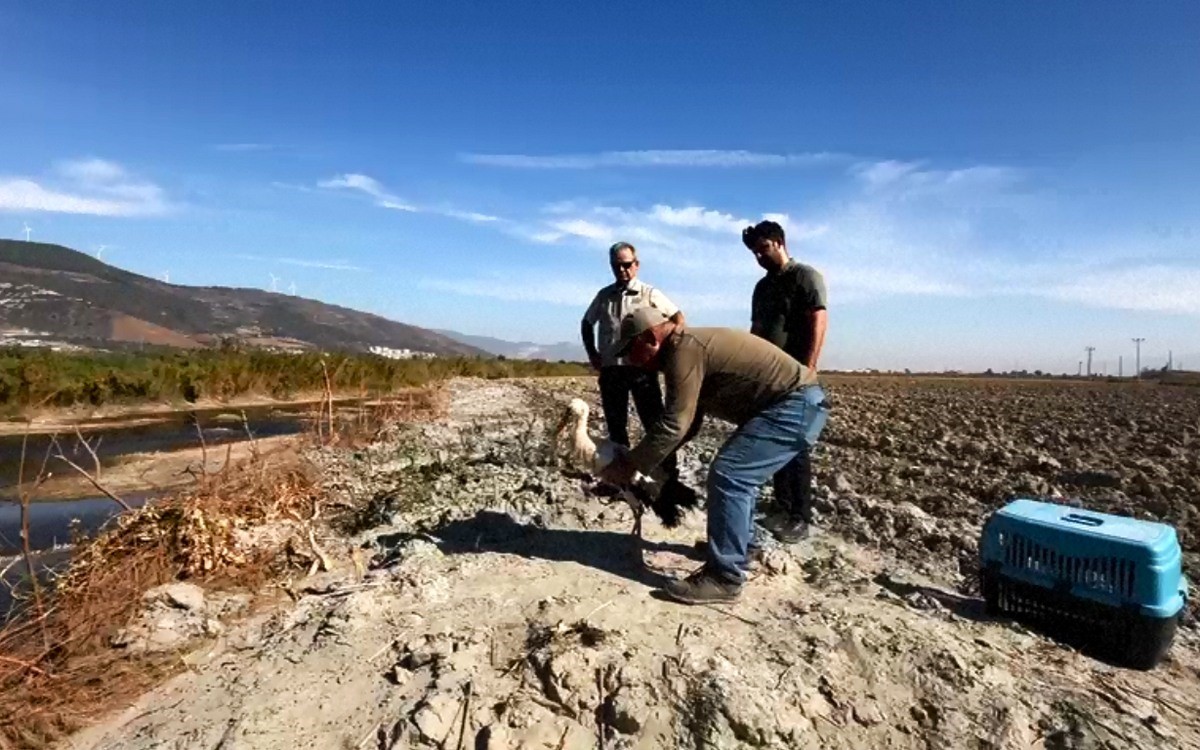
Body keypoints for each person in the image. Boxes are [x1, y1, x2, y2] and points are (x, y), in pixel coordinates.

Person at [599, 307, 830, 604]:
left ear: (650, 337)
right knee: (734, 474)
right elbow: (689, 422)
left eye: (631, 350)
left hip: (796, 405)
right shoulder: (682, 350)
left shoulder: (683, 349)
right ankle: (737, 548)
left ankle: (725, 577)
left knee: (730, 474)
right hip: (793, 405)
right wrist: (654, 464)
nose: (630, 359)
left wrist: (629, 464)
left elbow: (675, 423)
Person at [742, 219, 828, 542]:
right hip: (768, 377)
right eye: (754, 252)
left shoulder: (804, 277)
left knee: (796, 445)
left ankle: (800, 517)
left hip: (796, 375)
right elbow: (756, 332)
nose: (759, 257)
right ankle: (780, 507)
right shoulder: (762, 287)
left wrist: (810, 366)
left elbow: (818, 319)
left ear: (779, 243)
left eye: (763, 249)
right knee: (775, 441)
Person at [581, 242, 685, 476]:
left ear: (636, 265)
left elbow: (678, 318)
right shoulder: (604, 295)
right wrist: (593, 354)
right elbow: (587, 323)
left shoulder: (650, 293)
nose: (622, 270)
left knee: (653, 422)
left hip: (641, 370)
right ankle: (623, 473)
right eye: (616, 266)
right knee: (616, 426)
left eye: (627, 265)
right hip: (611, 370)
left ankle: (668, 472)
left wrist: (666, 352)